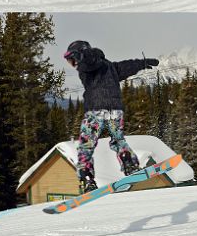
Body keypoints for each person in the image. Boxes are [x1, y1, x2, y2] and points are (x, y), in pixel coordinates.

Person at [63, 40, 159, 194]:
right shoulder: (110, 66)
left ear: (79, 55)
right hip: (115, 110)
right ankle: (130, 165)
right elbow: (127, 66)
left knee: (85, 146)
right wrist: (143, 63)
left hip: (95, 111)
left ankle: (86, 179)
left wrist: (85, 55)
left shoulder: (86, 63)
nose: (73, 65)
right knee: (118, 140)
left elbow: (89, 60)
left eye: (72, 60)